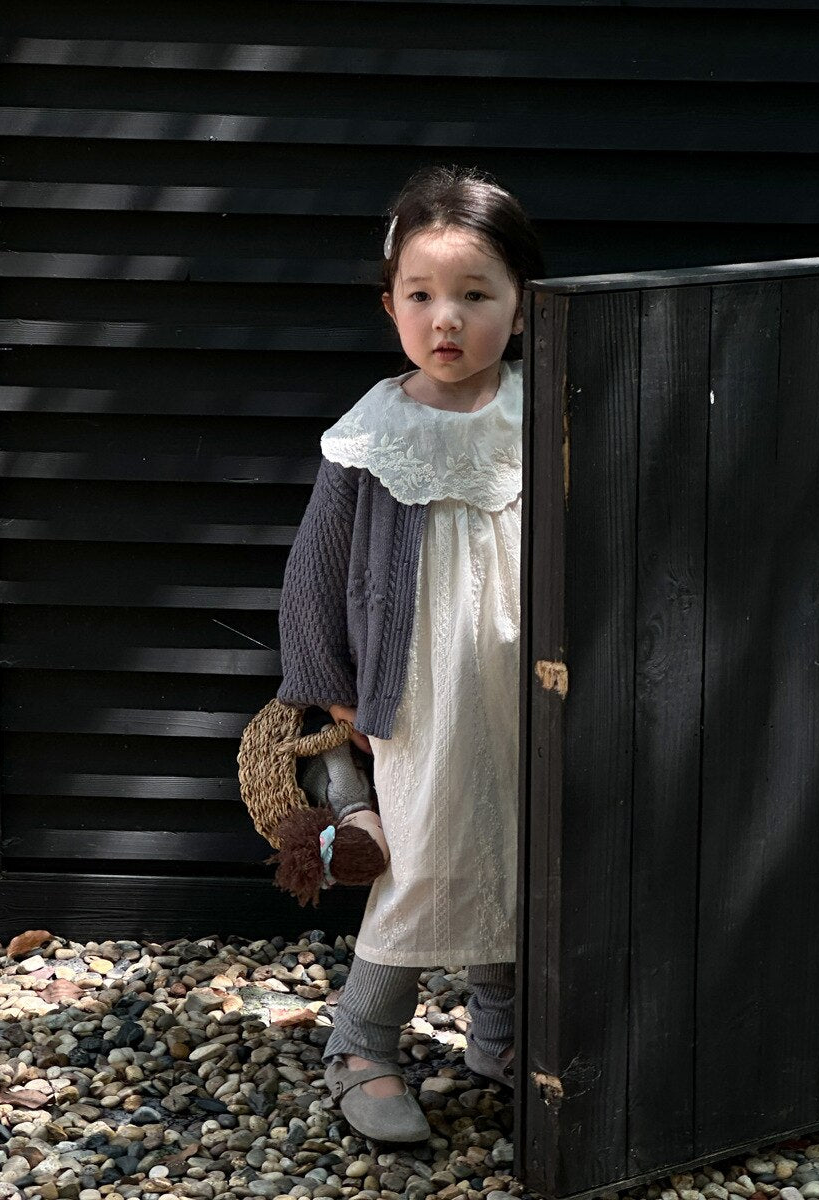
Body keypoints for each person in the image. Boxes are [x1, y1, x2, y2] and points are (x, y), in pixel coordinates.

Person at [276, 163, 545, 1142]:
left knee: (524, 851)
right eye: (422, 295)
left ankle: (502, 1036)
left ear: (519, 310)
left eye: (476, 295)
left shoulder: (547, 411)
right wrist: (326, 689)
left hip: (535, 684)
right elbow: (314, 574)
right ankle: (362, 1040)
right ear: (389, 303)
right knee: (428, 857)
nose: (448, 318)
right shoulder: (375, 430)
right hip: (421, 692)